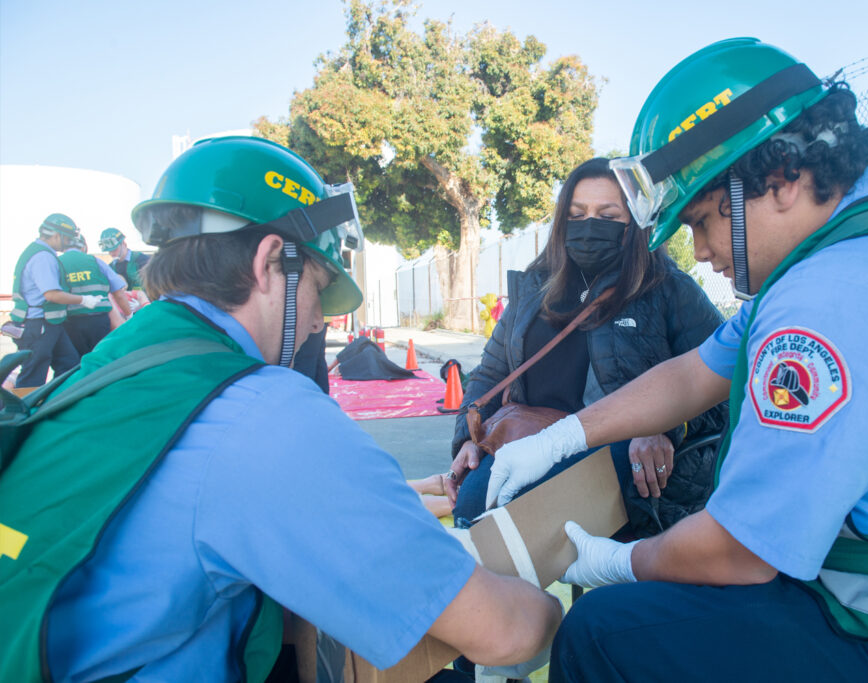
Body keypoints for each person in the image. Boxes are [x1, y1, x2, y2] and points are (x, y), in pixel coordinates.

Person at [487, 39, 868, 681]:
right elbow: (694, 373)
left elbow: (740, 552)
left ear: (780, 181)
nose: (702, 250)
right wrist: (560, 438)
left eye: (703, 220)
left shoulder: (832, 301)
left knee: (604, 631)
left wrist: (616, 563)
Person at [0, 136, 561, 682]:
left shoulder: (112, 365)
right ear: (272, 260)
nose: (317, 322)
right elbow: (506, 633)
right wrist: (569, 591)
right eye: (317, 289)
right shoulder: (257, 412)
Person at [445, 157, 727, 535]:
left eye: (608, 216)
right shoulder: (534, 288)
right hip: (529, 439)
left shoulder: (669, 288)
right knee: (476, 505)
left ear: (635, 223)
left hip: (617, 454)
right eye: (577, 215)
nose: (590, 227)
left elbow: (724, 389)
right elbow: (491, 373)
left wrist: (663, 425)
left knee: (500, 521)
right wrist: (468, 437)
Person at [8, 213, 101, 388]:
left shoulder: (36, 252)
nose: (68, 242)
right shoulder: (43, 257)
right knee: (33, 374)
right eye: (67, 237)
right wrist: (84, 300)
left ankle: (56, 404)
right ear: (57, 235)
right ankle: (23, 413)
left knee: (69, 365)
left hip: (50, 323)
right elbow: (51, 294)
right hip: (38, 326)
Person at [58, 233, 133, 355]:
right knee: (101, 358)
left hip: (70, 322)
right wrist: (129, 316)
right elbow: (119, 293)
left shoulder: (56, 263)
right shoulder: (95, 261)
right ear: (83, 247)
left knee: (77, 362)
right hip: (98, 322)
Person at [99, 226, 152, 309]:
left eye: (114, 249)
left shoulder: (142, 260)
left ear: (123, 244)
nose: (112, 253)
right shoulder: (109, 268)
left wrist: (144, 303)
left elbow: (156, 287)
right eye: (109, 251)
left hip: (147, 307)